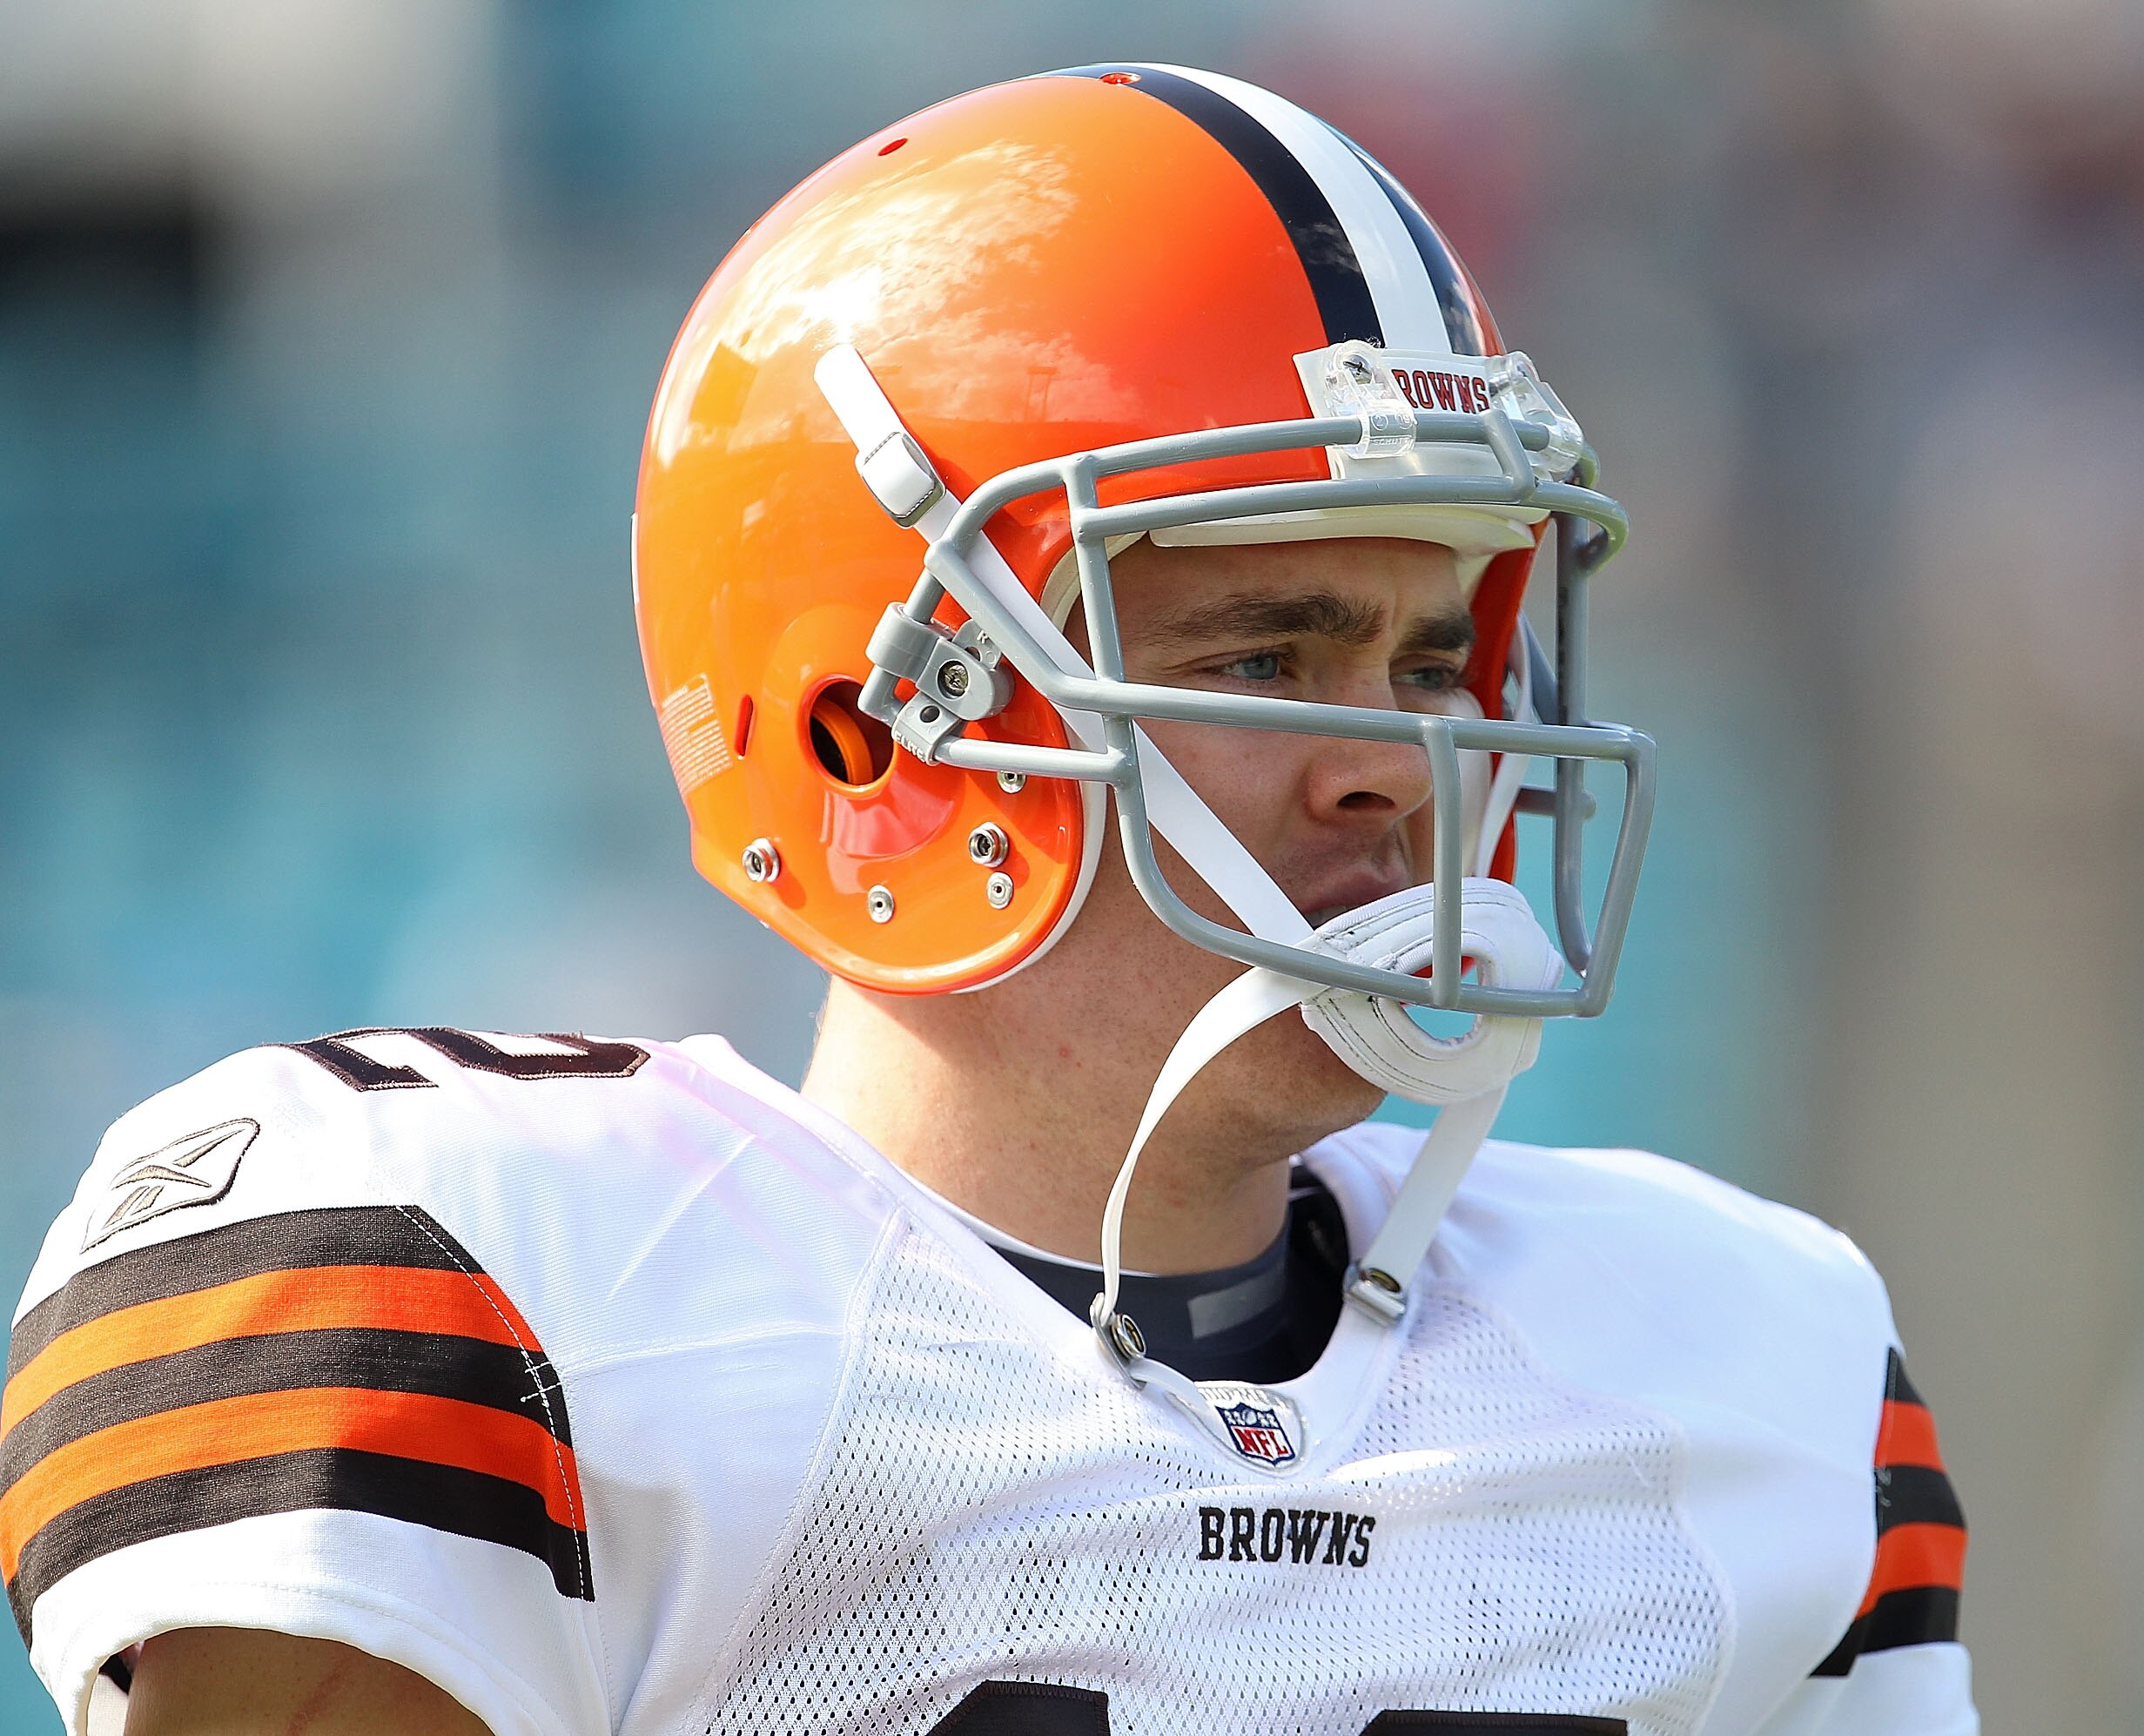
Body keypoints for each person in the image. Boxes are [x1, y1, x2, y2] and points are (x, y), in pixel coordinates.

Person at [2, 64, 1974, 1736]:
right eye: (1273, 652)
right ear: (875, 730)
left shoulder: (1738, 1361)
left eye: (1435, 656)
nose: (1402, 760)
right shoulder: (493, 1298)